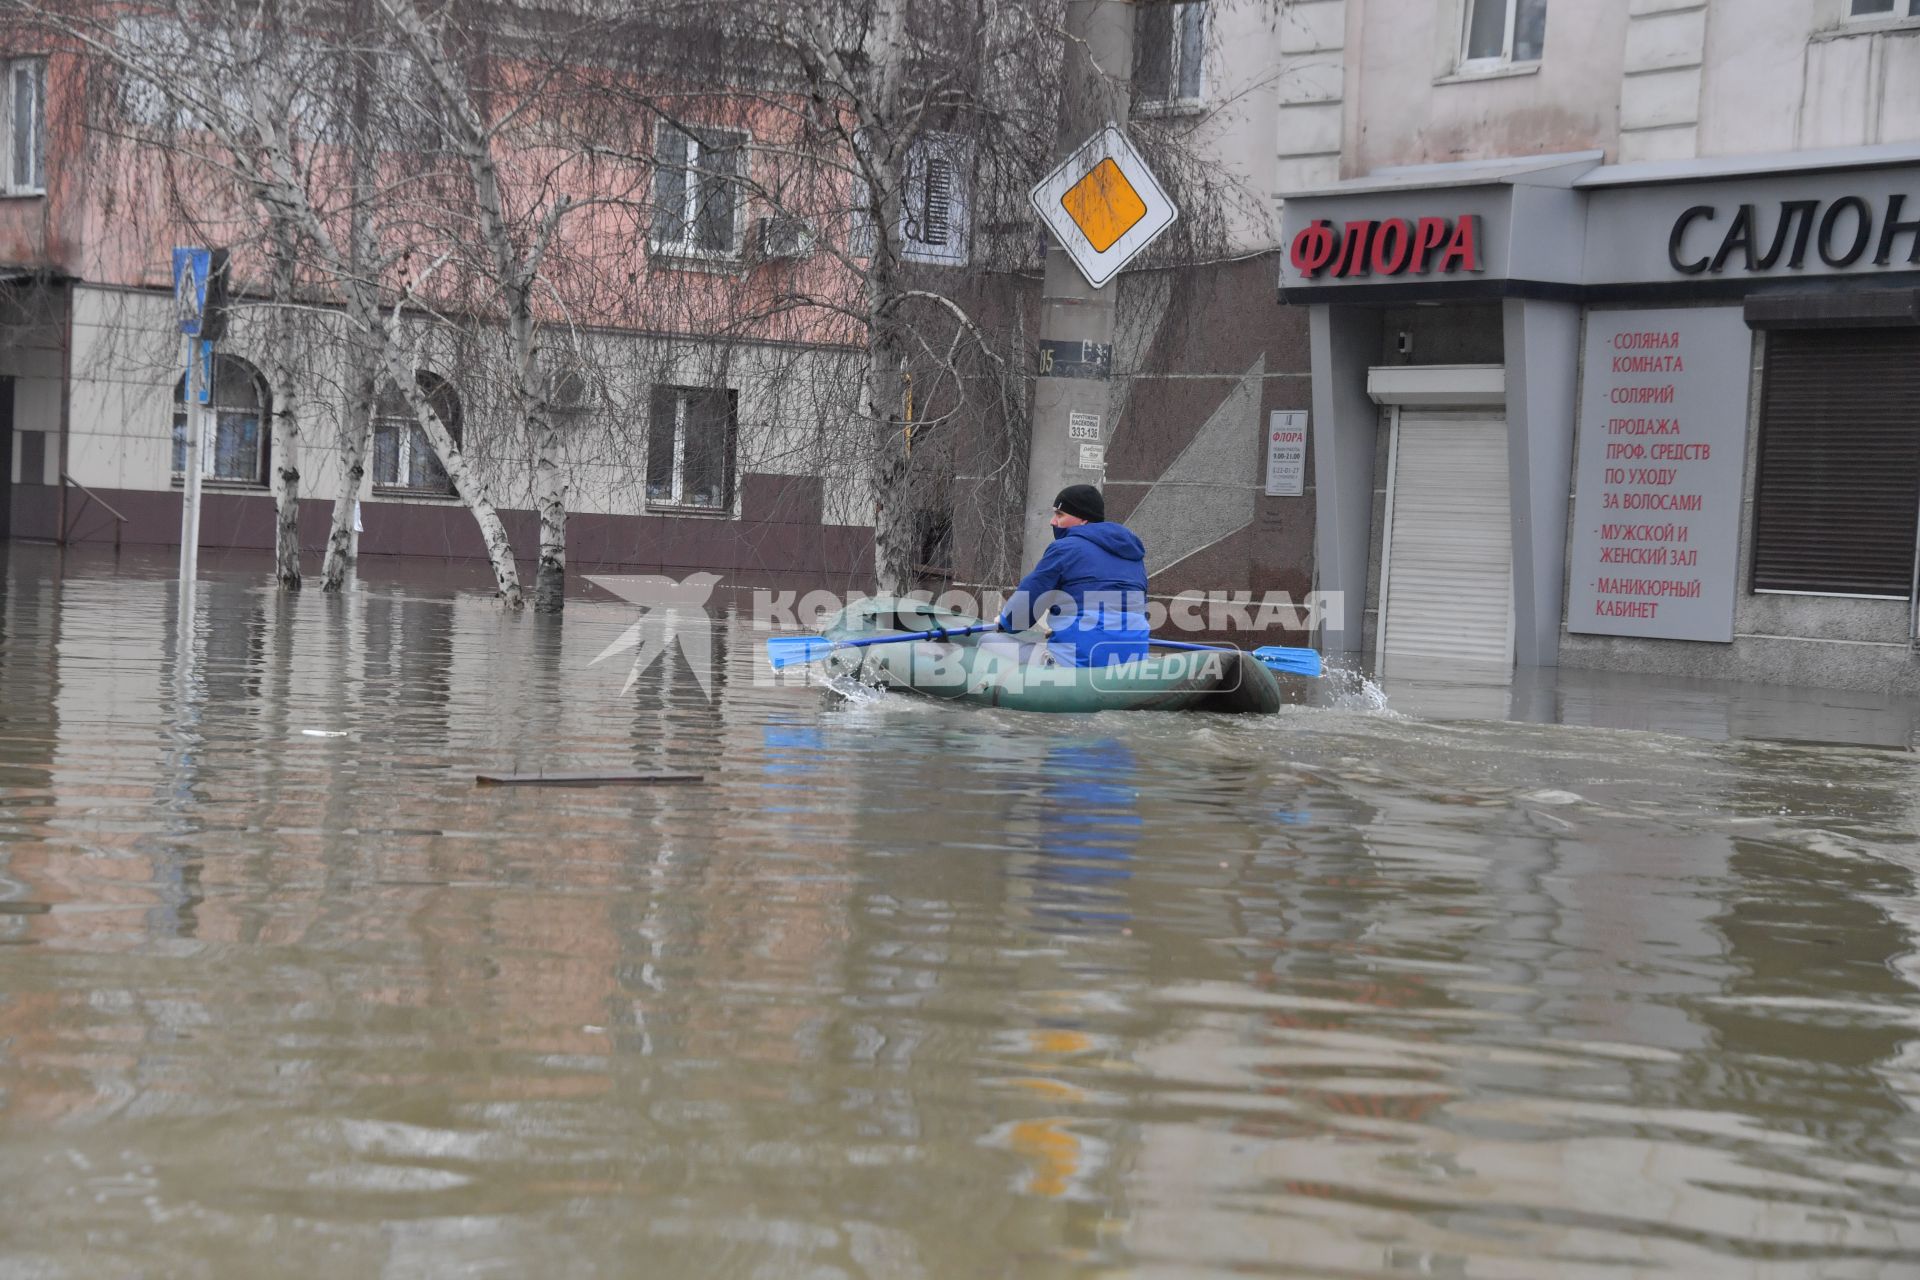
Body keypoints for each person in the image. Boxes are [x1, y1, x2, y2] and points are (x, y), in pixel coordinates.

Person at [996, 484, 1150, 667]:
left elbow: (1024, 609)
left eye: (1060, 514)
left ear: (1083, 519)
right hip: (1133, 661)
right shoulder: (1134, 556)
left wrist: (1005, 621)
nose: (1053, 521)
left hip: (1080, 664)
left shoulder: (1064, 549)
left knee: (987, 642)